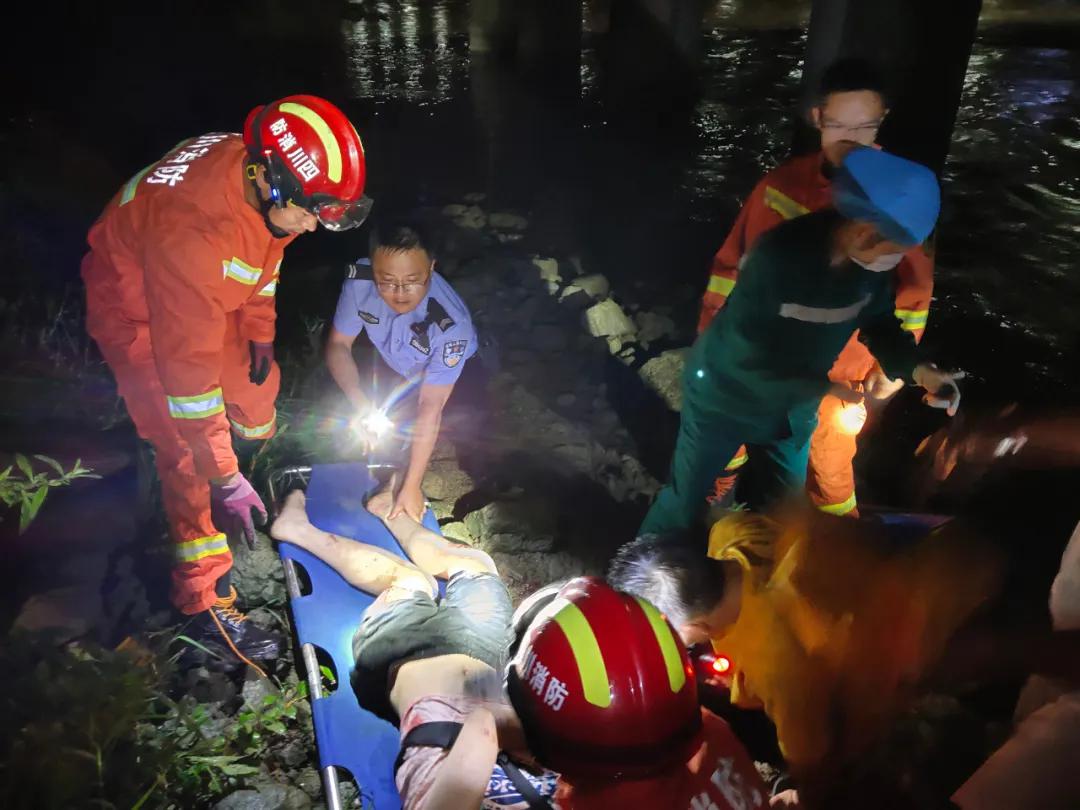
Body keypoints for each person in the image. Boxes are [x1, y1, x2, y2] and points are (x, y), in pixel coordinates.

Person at [81, 95, 371, 661]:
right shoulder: (193, 234)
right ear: (271, 183)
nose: (313, 226)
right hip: (140, 312)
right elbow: (187, 382)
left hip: (201, 293)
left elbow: (264, 258)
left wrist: (260, 329)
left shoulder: (256, 173)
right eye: (312, 211)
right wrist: (221, 475)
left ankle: (245, 471)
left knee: (255, 393)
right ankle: (204, 598)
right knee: (184, 448)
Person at [269, 490, 767, 809]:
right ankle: (392, 515)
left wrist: (490, 726)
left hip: (411, 659)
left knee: (409, 582)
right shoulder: (701, 741)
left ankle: (299, 531)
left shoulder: (452, 766)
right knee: (476, 565)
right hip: (480, 650)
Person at [639, 145, 961, 537]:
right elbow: (745, 353)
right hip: (722, 397)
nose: (896, 262)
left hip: (793, 408)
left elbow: (879, 323)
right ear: (863, 232)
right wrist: (828, 386)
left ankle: (767, 581)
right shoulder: (779, 257)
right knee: (684, 498)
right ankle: (636, 580)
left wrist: (921, 371)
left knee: (788, 510)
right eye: (894, 250)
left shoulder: (867, 272)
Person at [608, 513, 1003, 806]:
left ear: (700, 625)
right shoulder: (730, 533)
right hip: (929, 547)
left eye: (671, 638)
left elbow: (817, 768)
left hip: (949, 623)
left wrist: (796, 794)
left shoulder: (782, 673)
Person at [698, 58, 935, 518]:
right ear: (817, 120)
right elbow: (729, 269)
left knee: (828, 466)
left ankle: (833, 543)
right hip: (761, 359)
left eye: (864, 127)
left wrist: (890, 375)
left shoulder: (897, 197)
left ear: (880, 122)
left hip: (840, 373)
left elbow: (912, 296)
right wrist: (711, 339)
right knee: (728, 443)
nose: (850, 141)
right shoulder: (780, 187)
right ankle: (715, 504)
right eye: (838, 125)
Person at [326, 220, 476, 522]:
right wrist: (361, 403)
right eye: (387, 281)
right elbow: (338, 345)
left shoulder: (451, 326)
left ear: (431, 268)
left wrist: (412, 485)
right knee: (369, 425)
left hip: (450, 372)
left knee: (454, 427)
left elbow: (431, 405)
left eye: (412, 280)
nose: (399, 293)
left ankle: (402, 479)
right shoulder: (361, 282)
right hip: (397, 360)